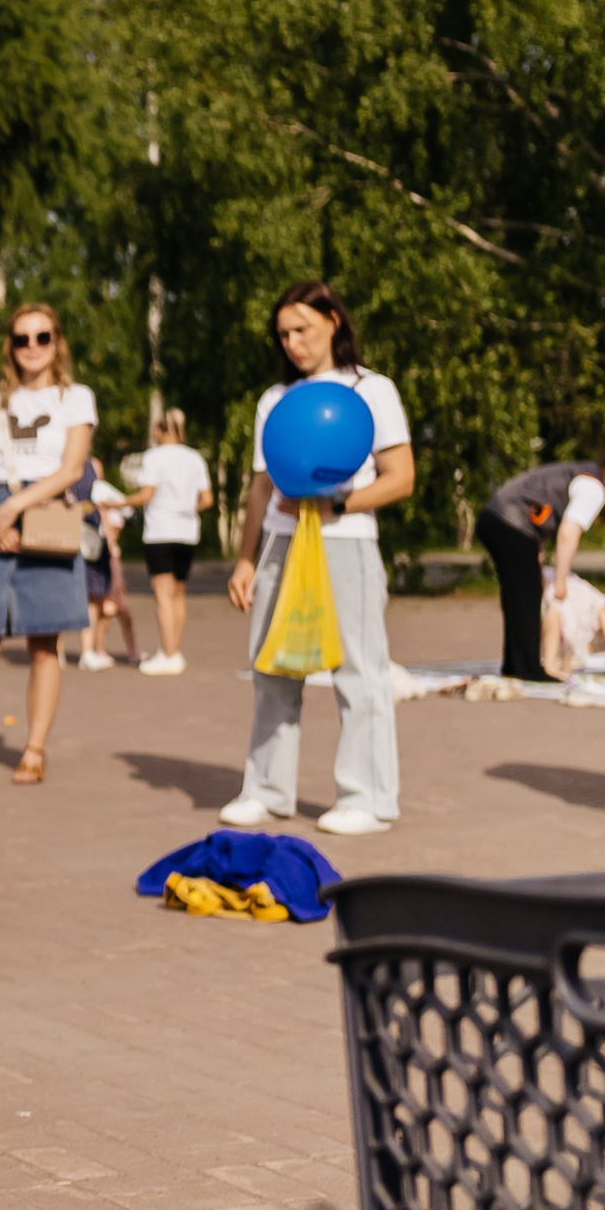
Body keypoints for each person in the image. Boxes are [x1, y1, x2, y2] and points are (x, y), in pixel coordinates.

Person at [220, 281, 414, 837]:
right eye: (283, 334)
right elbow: (262, 486)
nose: (293, 343)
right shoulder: (274, 400)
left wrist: (336, 503)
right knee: (272, 666)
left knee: (359, 669)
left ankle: (368, 799)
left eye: (302, 329)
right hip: (281, 544)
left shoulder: (372, 389)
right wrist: (244, 559)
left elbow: (401, 478)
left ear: (333, 320)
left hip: (345, 541)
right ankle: (266, 791)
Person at [0, 302, 96, 784]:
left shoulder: (76, 398)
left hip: (47, 512)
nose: (32, 346)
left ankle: (34, 750)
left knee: (44, 645)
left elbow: (73, 469)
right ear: (10, 346)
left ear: (57, 342)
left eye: (42, 337)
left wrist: (16, 508)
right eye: (22, 338)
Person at [478, 450, 605, 681]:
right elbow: (568, 533)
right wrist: (560, 580)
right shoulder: (594, 487)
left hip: (494, 517)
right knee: (527, 595)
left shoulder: (582, 473)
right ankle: (528, 669)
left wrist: (538, 556)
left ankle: (514, 665)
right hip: (510, 522)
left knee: (517, 594)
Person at [128, 409, 214, 674]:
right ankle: (174, 650)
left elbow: (146, 495)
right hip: (187, 532)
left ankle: (168, 653)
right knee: (178, 593)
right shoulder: (195, 457)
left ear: (159, 431)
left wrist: (118, 502)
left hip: (161, 531)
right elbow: (207, 499)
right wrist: (185, 509)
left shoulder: (154, 457)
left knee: (162, 594)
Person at [77, 461, 140, 669]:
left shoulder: (103, 495)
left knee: (106, 607)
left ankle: (98, 650)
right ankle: (91, 651)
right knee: (99, 604)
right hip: (91, 551)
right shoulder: (85, 496)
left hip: (101, 553)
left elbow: (116, 527)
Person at [541, 569, 605, 679]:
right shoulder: (603, 608)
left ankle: (552, 667)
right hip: (555, 589)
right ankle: (549, 666)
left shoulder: (593, 629)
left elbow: (570, 640)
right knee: (554, 613)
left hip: (559, 598)